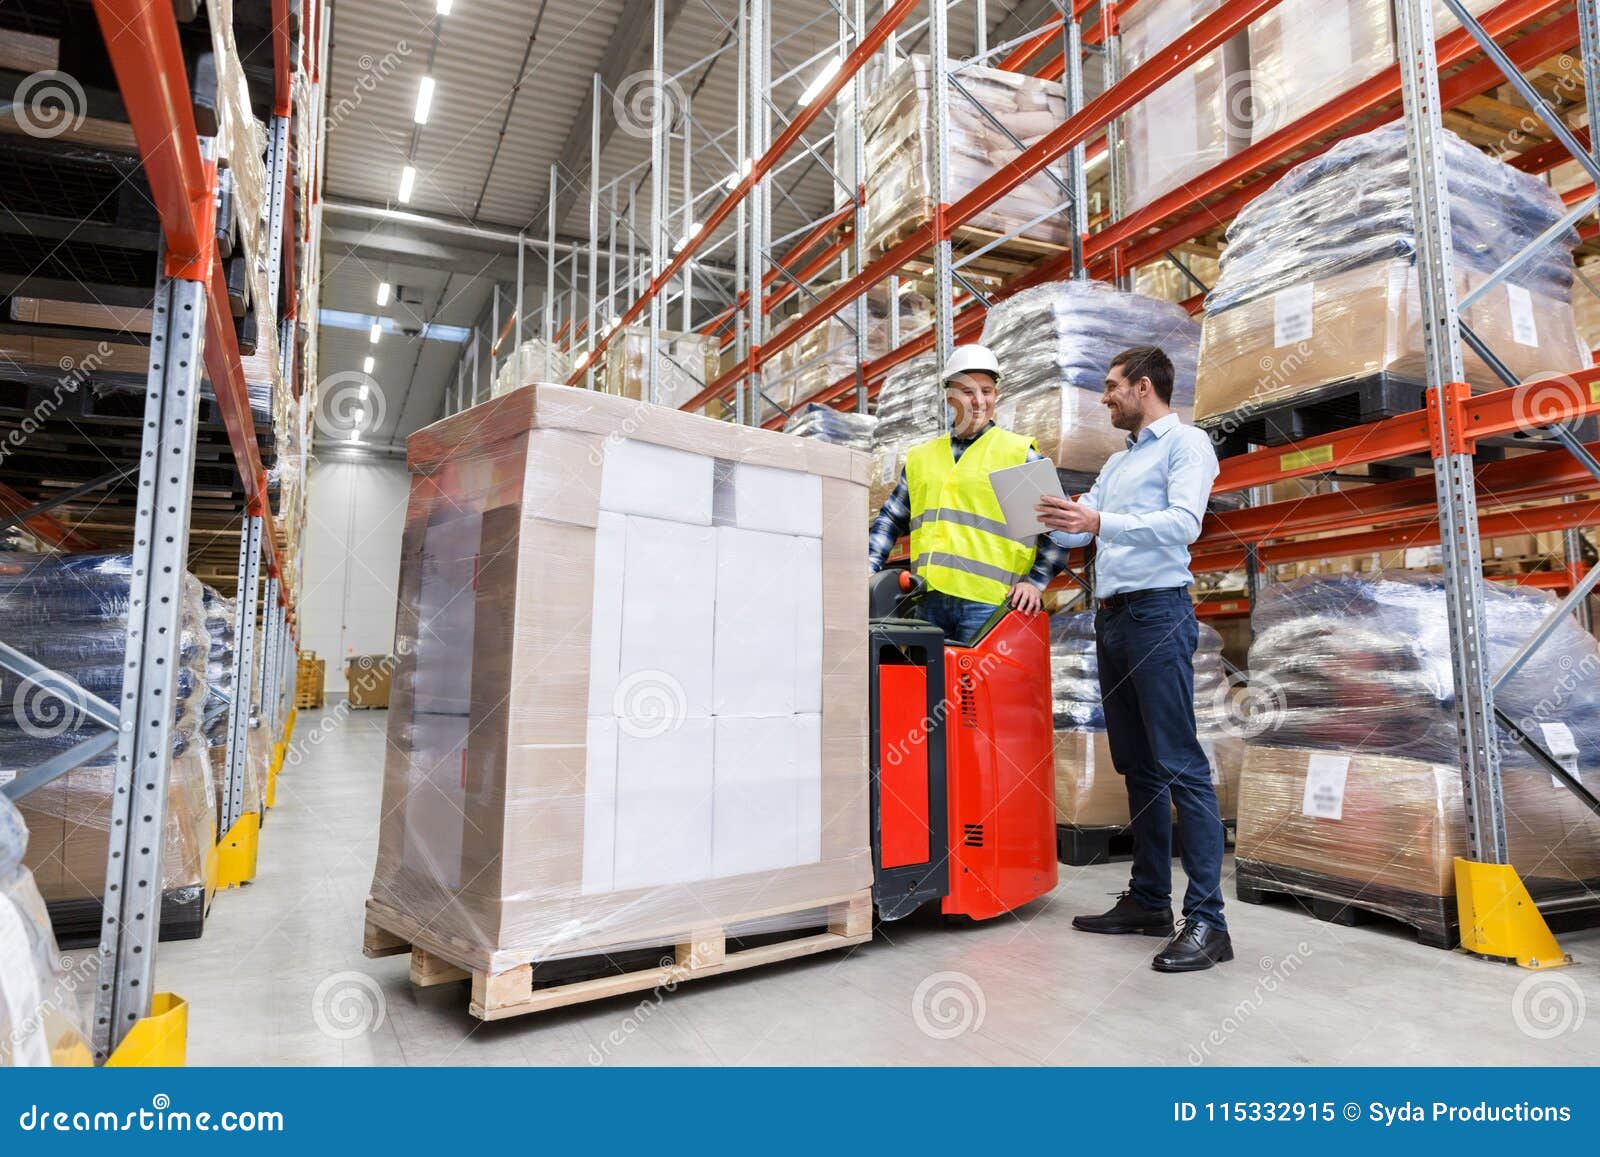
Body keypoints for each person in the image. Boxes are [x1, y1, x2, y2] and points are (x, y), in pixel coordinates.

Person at [1034, 345, 1229, 973]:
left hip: (1158, 614)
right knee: (1137, 765)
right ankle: (1149, 899)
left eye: (1113, 387)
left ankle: (1208, 921)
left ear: (1144, 388)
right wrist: (1047, 514)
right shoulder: (1120, 463)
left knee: (1179, 764)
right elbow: (1083, 529)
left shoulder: (1187, 446)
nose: (1105, 398)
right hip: (1113, 618)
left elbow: (1183, 524)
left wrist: (1097, 519)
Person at [867, 343, 1067, 643]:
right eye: (968, 392)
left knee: (978, 689)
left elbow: (1059, 529)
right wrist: (867, 566)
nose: (978, 401)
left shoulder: (1016, 454)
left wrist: (1035, 583)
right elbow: (890, 519)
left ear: (996, 395)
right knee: (931, 688)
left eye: (986, 391)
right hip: (926, 600)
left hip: (988, 605)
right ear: (949, 396)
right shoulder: (922, 458)